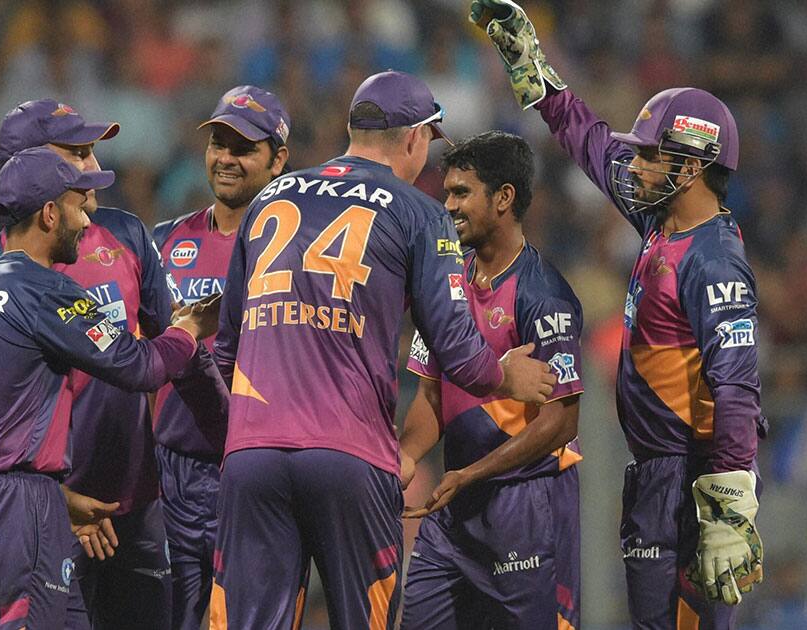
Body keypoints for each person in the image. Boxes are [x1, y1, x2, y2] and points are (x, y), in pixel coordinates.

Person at [209, 70, 557, 629]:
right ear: (416, 138)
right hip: (351, 455)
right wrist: (509, 376)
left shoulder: (270, 197)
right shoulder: (420, 213)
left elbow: (226, 351)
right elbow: (459, 353)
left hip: (251, 455)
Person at [471, 2, 767, 627]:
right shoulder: (661, 220)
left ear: (690, 166)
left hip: (690, 484)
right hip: (656, 477)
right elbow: (590, 141)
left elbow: (736, 388)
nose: (632, 165)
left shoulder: (714, 261)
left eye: (649, 156)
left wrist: (729, 505)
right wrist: (536, 70)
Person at [0, 99, 221, 629]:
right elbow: (143, 360)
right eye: (76, 155)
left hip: (125, 503)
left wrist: (228, 437)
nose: (93, 168)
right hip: (41, 506)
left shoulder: (122, 237)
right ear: (37, 184)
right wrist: (190, 329)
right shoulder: (30, 279)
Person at [399, 131, 584, 630]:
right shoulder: (444, 286)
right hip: (455, 510)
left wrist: (470, 475)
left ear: (504, 198)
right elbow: (431, 395)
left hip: (525, 507)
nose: (449, 205)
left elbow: (561, 422)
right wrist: (407, 458)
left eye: (462, 193)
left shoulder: (544, 296)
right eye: (447, 193)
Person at [152, 85, 290, 630]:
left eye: (244, 147)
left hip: (250, 469)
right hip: (171, 473)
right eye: (218, 143)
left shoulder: (294, 251)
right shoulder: (165, 240)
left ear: (279, 159)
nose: (226, 158)